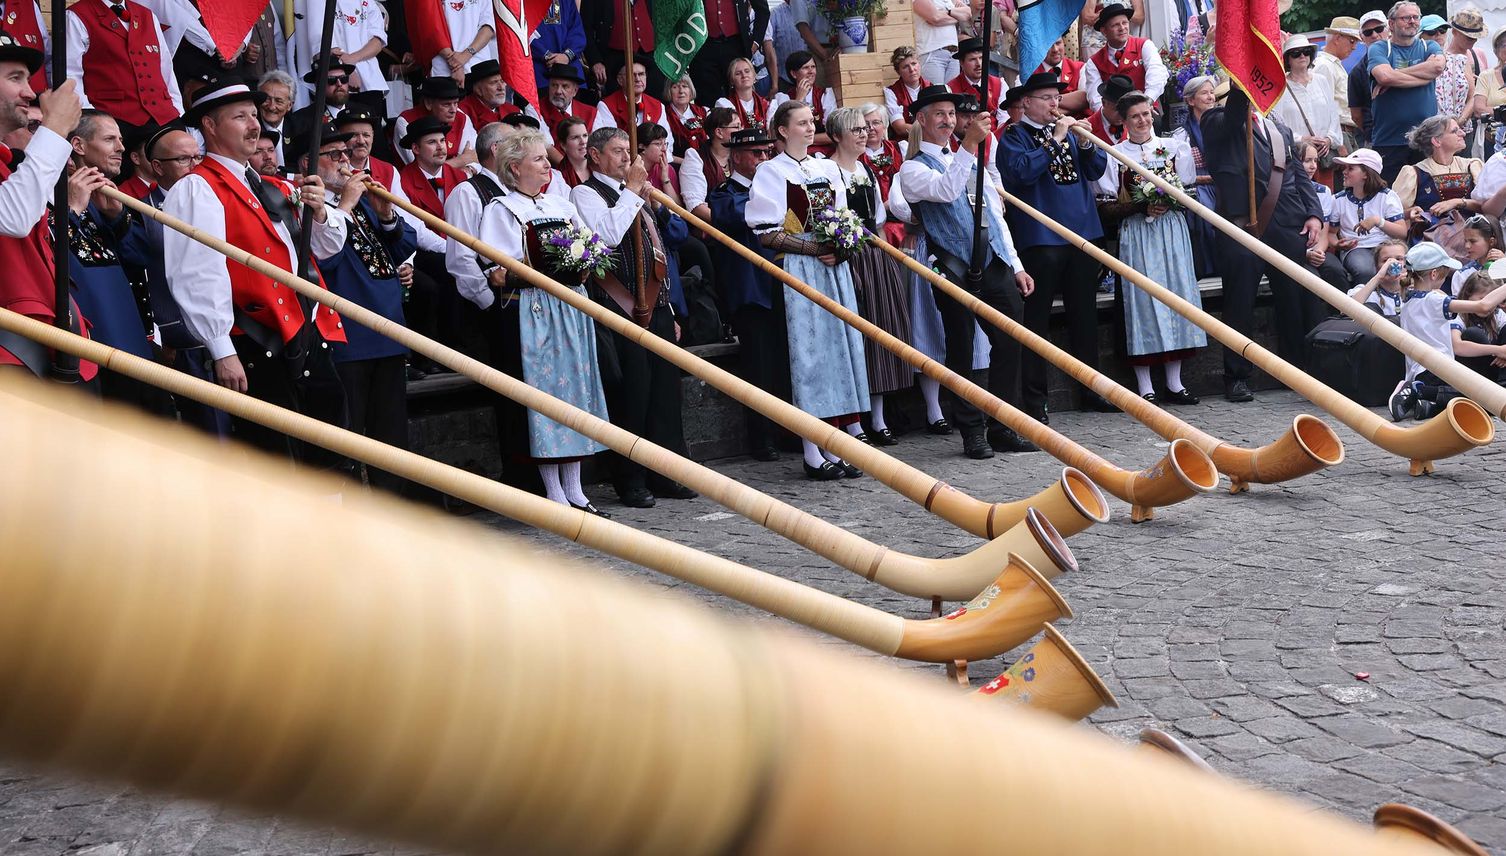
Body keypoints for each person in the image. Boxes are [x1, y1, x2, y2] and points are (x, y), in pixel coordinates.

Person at [162, 79, 351, 473]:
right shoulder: (197, 187)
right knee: (276, 457)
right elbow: (197, 272)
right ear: (210, 126)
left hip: (305, 330)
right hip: (253, 338)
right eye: (240, 116)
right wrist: (221, 349)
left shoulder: (272, 185)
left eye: (253, 115)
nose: (253, 125)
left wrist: (321, 212)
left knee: (331, 448)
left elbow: (326, 247)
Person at [477, 128, 614, 514]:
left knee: (577, 393)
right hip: (536, 310)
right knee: (548, 396)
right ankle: (553, 491)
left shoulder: (562, 204)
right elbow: (496, 271)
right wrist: (543, 273)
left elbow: (591, 247)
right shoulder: (501, 210)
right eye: (538, 159)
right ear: (516, 167)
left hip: (572, 306)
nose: (547, 164)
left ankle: (577, 488)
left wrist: (583, 264)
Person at [902, 84, 1036, 456]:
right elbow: (945, 191)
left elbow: (994, 216)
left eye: (951, 114)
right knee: (960, 349)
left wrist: (1016, 265)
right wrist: (969, 147)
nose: (948, 121)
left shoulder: (970, 160)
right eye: (940, 115)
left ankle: (1004, 424)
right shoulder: (911, 169)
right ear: (922, 120)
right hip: (950, 265)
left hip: (991, 260)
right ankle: (971, 430)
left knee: (1011, 339)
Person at [572, 126, 697, 506]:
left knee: (665, 394)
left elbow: (658, 249)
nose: (627, 157)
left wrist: (670, 306)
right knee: (632, 395)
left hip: (655, 302)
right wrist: (632, 193)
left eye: (628, 150)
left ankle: (667, 472)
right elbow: (606, 235)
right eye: (616, 151)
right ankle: (631, 478)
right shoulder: (584, 193)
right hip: (619, 305)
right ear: (595, 156)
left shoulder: (637, 193)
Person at [746, 100, 872, 477]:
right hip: (801, 270)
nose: (808, 127)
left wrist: (842, 246)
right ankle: (812, 450)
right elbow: (766, 233)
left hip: (834, 269)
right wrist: (816, 247)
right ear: (782, 131)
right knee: (812, 357)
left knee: (841, 353)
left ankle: (837, 444)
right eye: (801, 123)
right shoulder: (770, 172)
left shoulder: (825, 167)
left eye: (810, 121)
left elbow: (846, 218)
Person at [305, 129, 417, 496]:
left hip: (388, 331)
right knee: (350, 433)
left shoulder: (359, 201)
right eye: (333, 154)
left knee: (392, 433)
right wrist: (344, 207)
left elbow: (399, 250)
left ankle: (395, 506)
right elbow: (326, 257)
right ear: (308, 163)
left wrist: (386, 216)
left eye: (346, 154)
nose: (344, 161)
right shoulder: (315, 207)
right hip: (350, 335)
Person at [1200, 86, 1326, 402]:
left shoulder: (1277, 126)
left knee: (1294, 300)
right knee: (1240, 304)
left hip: (1285, 226)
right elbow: (1232, 119)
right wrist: (1241, 84)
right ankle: (1237, 377)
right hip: (1241, 226)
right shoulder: (1216, 120)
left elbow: (1297, 173)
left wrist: (1314, 214)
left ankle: (1297, 371)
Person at [999, 72, 1113, 419]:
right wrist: (1055, 140)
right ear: (1027, 103)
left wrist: (1088, 143)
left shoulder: (1069, 130)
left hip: (1081, 233)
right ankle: (1036, 401)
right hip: (1040, 239)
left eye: (1056, 97)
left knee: (1085, 317)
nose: (1054, 104)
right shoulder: (1014, 136)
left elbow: (1094, 171)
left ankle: (1091, 390)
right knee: (1036, 322)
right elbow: (1019, 174)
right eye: (1047, 98)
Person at [1094, 92, 1205, 404]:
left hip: (1171, 231)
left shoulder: (1174, 148)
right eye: (1134, 117)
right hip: (1138, 234)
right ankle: (1145, 385)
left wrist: (1169, 201)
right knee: (1141, 301)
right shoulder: (1114, 154)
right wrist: (1139, 209)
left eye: (1145, 114)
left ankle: (1174, 381)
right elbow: (1106, 206)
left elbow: (1189, 194)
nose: (1142, 121)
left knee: (1176, 296)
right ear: (1125, 121)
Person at [65, 109, 167, 411]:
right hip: (94, 349)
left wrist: (117, 216)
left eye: (120, 140)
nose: (121, 147)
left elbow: (141, 257)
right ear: (78, 146)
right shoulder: (50, 192)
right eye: (110, 139)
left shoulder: (108, 195)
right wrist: (73, 211)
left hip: (135, 342)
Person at [827, 106, 912, 444]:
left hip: (872, 254)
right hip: (846, 256)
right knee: (856, 337)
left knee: (881, 333)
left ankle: (878, 417)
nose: (863, 134)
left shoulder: (865, 170)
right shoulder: (829, 171)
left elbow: (877, 216)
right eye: (855, 129)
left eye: (865, 128)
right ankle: (853, 421)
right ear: (837, 135)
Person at [708, 127, 790, 460]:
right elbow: (740, 215)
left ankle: (789, 432)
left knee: (785, 362)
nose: (763, 159)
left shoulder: (773, 187)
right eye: (756, 154)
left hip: (780, 283)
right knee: (758, 367)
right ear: (736, 157)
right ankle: (762, 437)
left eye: (767, 153)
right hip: (750, 291)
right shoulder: (724, 193)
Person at [1389, 242, 1506, 419]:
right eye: (1445, 274)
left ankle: (1428, 404)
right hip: (1440, 370)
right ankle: (1419, 392)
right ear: (1434, 274)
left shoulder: (1408, 300)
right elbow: (1483, 306)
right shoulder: (1434, 301)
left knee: (1475, 398)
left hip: (1419, 371)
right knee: (1484, 399)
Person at [64, 0, 182, 132]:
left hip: (165, 116)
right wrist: (89, 118)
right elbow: (70, 74)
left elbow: (165, 68)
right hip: (113, 120)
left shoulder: (148, 15)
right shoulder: (76, 16)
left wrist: (178, 110)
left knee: (185, 149)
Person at [1366, 1, 1444, 181]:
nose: (1412, 21)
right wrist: (1425, 74)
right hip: (1389, 141)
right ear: (1391, 24)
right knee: (1391, 196)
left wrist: (1395, 76)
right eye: (1406, 17)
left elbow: (1438, 67)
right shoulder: (1380, 48)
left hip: (1426, 140)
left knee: (1427, 198)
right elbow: (1384, 77)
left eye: (1416, 17)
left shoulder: (1428, 46)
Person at [1394, 116, 1484, 242]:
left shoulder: (1472, 166)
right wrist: (1410, 212)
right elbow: (1393, 214)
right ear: (1436, 141)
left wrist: (1456, 202)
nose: (1463, 133)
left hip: (1470, 238)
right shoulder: (1414, 172)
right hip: (1432, 241)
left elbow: (1487, 206)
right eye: (1454, 131)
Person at [1327, 148, 1408, 284]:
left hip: (1385, 246)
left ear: (1366, 173)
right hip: (1356, 248)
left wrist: (1377, 221)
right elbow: (1330, 233)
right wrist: (1337, 244)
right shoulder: (1338, 199)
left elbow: (1402, 232)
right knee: (1365, 271)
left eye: (1350, 168)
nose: (1344, 172)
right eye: (1345, 168)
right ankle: (1366, 304)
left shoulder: (1387, 196)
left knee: (1399, 268)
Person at [1272, 35, 1341, 187]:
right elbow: (1276, 123)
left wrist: (1329, 139)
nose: (1302, 55)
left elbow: (1333, 115)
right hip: (1296, 157)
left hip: (1322, 157)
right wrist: (1301, 139)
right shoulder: (1280, 85)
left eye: (1306, 51)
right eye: (1296, 53)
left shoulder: (1321, 80)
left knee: (1325, 199)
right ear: (1288, 59)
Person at [1170, 74, 1219, 278]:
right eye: (1204, 93)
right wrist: (1210, 179)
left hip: (1222, 183)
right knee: (1205, 209)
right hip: (1198, 184)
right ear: (1191, 100)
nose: (1210, 97)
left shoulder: (1221, 126)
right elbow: (1181, 175)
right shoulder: (1182, 134)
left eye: (1212, 93)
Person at [1080, 1, 1166, 113]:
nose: (1122, 28)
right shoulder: (1094, 62)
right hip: (1113, 116)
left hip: (1146, 110)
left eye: (1125, 23)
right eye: (1115, 25)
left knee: (1155, 122)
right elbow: (1094, 98)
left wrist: (1147, 102)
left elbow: (1157, 75)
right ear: (1104, 31)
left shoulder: (1144, 45)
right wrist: (1113, 117)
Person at [687, 0, 769, 109]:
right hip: (703, 45)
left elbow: (763, 10)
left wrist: (756, 42)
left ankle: (742, 122)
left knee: (738, 91)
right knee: (705, 95)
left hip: (735, 44)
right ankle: (710, 124)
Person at [583, 0, 666, 98]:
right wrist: (595, 61)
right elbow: (585, 29)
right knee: (618, 103)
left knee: (654, 101)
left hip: (651, 56)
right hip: (614, 59)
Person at [393, 76, 478, 169]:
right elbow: (422, 169)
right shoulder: (405, 122)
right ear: (428, 103)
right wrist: (462, 160)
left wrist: (469, 170)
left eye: (456, 103)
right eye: (446, 104)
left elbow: (475, 157)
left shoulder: (462, 118)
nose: (453, 110)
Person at [680, 107, 739, 221]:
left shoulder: (740, 155)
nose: (741, 130)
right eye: (736, 127)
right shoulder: (695, 157)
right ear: (719, 132)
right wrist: (726, 225)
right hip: (711, 230)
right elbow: (696, 206)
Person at [418, 0, 496, 82]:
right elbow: (431, 28)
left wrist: (464, 56)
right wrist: (456, 65)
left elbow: (489, 28)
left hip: (478, 68)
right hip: (443, 71)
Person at [1451, 270, 1506, 382]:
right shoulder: (1459, 316)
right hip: (1470, 372)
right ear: (1468, 296)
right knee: (1473, 334)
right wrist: (1498, 350)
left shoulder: (1497, 315)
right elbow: (1457, 346)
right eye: (1482, 299)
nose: (1489, 306)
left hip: (1496, 369)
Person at [594, 61, 674, 137]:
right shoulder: (606, 106)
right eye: (632, 75)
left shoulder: (658, 106)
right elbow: (610, 140)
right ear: (620, 80)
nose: (638, 79)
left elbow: (666, 140)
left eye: (641, 74)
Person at [286, 57, 356, 143]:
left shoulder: (360, 110)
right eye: (331, 80)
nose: (339, 84)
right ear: (317, 84)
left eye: (343, 79)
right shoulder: (300, 120)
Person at [1316, 17, 1361, 146]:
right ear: (1337, 38)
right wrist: (1336, 142)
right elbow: (1323, 108)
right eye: (1352, 41)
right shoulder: (1324, 65)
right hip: (1339, 134)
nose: (1354, 47)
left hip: (1345, 133)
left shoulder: (1332, 64)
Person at [781, 51, 836, 152]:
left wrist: (803, 139)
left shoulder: (825, 94)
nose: (811, 71)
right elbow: (785, 132)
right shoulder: (784, 97)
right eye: (805, 68)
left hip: (823, 151)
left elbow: (833, 135)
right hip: (795, 151)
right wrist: (799, 99)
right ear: (793, 73)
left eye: (813, 67)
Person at [1349, 10, 1389, 149]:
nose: (1374, 35)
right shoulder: (1357, 73)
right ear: (1361, 37)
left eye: (1379, 29)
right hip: (1378, 139)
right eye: (1368, 32)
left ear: (1388, 28)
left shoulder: (1406, 56)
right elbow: (1356, 115)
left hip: (1413, 135)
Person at [947, 37, 1005, 128]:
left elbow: (1003, 119)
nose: (979, 64)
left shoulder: (1000, 84)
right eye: (972, 59)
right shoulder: (950, 88)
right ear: (962, 63)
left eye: (981, 58)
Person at [715, 56, 782, 135]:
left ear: (754, 76)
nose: (744, 75)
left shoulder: (768, 106)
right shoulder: (725, 105)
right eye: (738, 73)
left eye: (747, 71)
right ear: (732, 81)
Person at [530, 0, 587, 91]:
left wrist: (566, 56)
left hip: (570, 71)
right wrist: (548, 57)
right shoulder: (523, 3)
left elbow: (577, 33)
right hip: (538, 73)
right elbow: (524, 35)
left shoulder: (567, 1)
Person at [532, 66, 594, 148]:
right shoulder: (536, 109)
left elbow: (598, 146)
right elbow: (545, 145)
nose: (558, 91)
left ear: (575, 91)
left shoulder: (591, 113)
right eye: (554, 85)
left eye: (565, 86)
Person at [913, 0, 969, 87]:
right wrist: (957, 15)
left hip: (953, 54)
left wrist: (946, 13)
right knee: (935, 95)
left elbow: (968, 13)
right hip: (932, 53)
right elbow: (935, 18)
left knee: (952, 95)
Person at [1348, 239, 1409, 316]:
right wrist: (1378, 277)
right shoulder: (1365, 291)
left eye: (1399, 259)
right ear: (1377, 266)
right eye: (1386, 260)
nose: (1393, 263)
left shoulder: (1415, 289)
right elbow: (1346, 311)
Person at [1471, 28, 1506, 159]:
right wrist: (1502, 112)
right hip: (1493, 139)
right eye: (1504, 44)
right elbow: (1479, 109)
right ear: (1495, 51)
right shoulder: (1486, 76)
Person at [884, 46, 931, 140]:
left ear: (919, 64)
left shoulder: (930, 87)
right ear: (898, 72)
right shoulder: (891, 92)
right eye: (905, 66)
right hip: (906, 144)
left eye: (914, 63)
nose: (912, 69)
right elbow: (900, 128)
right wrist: (929, 132)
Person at [1450, 213, 1504, 293]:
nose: (1467, 246)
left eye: (1473, 241)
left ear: (1491, 241)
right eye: (1465, 241)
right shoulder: (1462, 275)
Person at [458, 60, 518, 130]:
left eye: (502, 81)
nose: (501, 88)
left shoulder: (514, 110)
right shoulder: (462, 113)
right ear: (478, 90)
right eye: (494, 82)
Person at [860, 102, 903, 201]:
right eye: (866, 124)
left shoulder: (899, 148)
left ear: (884, 126)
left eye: (876, 123)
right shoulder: (855, 155)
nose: (871, 128)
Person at [1034, 38, 1087, 116]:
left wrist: (1042, 103)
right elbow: (1023, 108)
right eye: (1049, 45)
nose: (1055, 49)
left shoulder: (1080, 68)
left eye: (1058, 43)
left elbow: (1085, 99)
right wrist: (1073, 105)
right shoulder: (1028, 74)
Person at [257, 71, 297, 169]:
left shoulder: (299, 128)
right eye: (267, 99)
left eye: (279, 101)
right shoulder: (250, 128)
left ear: (289, 105)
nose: (271, 107)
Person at [664, 74, 708, 157]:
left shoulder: (703, 112)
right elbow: (666, 153)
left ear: (691, 91)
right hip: (678, 166)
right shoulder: (664, 115)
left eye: (685, 86)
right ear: (669, 91)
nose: (681, 91)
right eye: (675, 87)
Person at [1086, 72, 1133, 144]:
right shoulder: (1086, 129)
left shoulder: (1139, 124)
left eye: (1127, 109)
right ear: (1104, 102)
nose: (1122, 115)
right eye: (1117, 109)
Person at [555, 116, 593, 187]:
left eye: (585, 135)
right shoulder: (558, 178)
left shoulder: (601, 167)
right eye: (575, 137)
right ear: (563, 145)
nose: (583, 141)